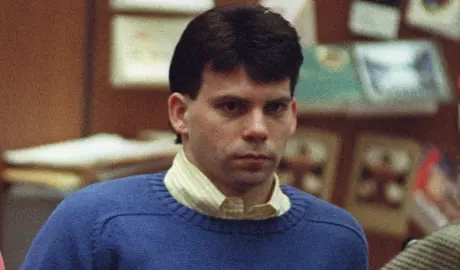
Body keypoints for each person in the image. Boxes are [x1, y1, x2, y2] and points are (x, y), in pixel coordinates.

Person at [21, 5, 368, 269]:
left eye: (275, 108)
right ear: (180, 114)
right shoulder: (93, 225)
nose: (258, 129)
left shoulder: (336, 240)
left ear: (293, 115)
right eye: (232, 106)